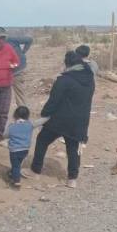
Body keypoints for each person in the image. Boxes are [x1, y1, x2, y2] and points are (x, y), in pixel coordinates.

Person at [30, 51, 95, 189]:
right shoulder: (90, 79)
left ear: (68, 64)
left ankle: (35, 171)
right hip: (80, 121)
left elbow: (53, 101)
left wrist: (44, 114)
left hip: (59, 120)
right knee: (73, 148)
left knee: (42, 140)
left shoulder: (64, 80)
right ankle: (72, 179)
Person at [3, 106, 47, 187]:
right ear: (27, 116)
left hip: (14, 150)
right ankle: (12, 173)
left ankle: (16, 182)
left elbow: (5, 135)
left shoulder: (12, 126)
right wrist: (49, 117)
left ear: (15, 115)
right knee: (18, 164)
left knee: (15, 165)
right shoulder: (30, 124)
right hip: (25, 150)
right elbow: (40, 121)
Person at [6, 33, 34, 108]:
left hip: (17, 71)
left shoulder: (10, 39)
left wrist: (23, 52)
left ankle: (23, 115)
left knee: (19, 95)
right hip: (5, 72)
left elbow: (29, 39)